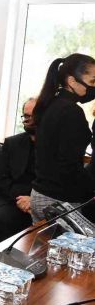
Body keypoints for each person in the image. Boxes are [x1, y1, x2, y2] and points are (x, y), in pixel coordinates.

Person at [30, 54, 95, 222]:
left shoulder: (50, 104)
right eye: (93, 81)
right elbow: (68, 165)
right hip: (59, 200)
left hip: (40, 195)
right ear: (72, 81)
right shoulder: (71, 111)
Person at [0, 98, 37, 247]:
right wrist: (20, 198)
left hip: (38, 201)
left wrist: (33, 200)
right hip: (10, 198)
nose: (28, 120)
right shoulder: (12, 143)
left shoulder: (56, 147)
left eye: (33, 115)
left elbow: (55, 183)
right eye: (26, 116)